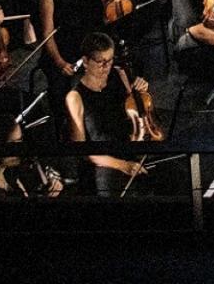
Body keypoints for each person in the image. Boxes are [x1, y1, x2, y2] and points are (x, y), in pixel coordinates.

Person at [63, 32, 149, 196]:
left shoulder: (118, 74)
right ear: (86, 61)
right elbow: (81, 151)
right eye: (100, 62)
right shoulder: (75, 98)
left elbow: (135, 111)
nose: (106, 67)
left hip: (128, 147)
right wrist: (122, 165)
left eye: (110, 60)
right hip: (103, 161)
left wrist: (141, 90)